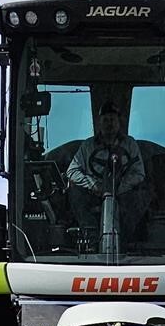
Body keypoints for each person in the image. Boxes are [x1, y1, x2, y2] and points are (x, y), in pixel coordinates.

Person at [64, 99, 149, 246]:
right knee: (74, 192)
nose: (109, 123)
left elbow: (139, 173)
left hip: (124, 194)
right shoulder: (87, 146)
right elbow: (72, 172)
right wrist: (94, 186)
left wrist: (120, 187)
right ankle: (90, 238)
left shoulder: (130, 144)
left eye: (113, 119)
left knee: (142, 194)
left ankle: (128, 242)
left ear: (119, 122)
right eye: (105, 120)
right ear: (99, 122)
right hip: (93, 195)